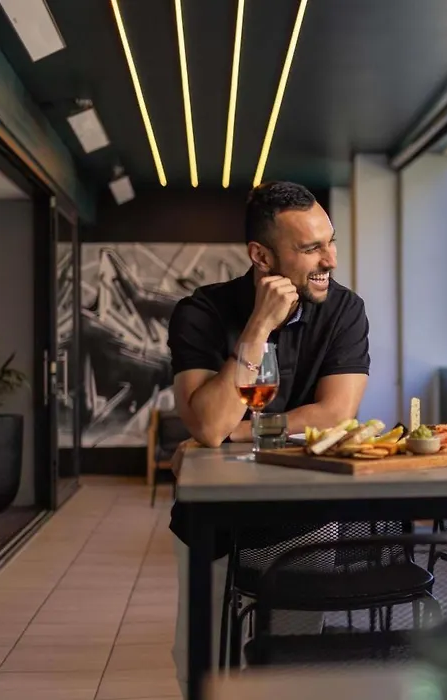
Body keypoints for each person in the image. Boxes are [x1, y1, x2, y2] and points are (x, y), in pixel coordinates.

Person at [166, 181, 370, 694]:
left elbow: (335, 413)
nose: (331, 260)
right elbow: (206, 423)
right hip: (215, 523)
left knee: (291, 671)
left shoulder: (345, 310)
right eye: (311, 248)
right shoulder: (200, 312)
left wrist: (234, 433)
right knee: (203, 670)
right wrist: (257, 328)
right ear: (261, 256)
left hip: (305, 521)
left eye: (330, 241)